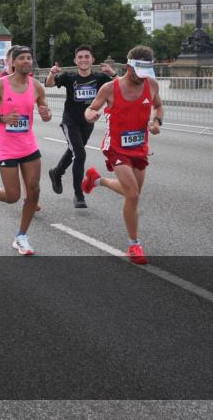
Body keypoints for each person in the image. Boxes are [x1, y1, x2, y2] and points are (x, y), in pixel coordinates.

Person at [81, 45, 164, 265]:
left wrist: (157, 122)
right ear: (128, 67)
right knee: (133, 195)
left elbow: (159, 107)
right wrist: (91, 114)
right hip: (116, 147)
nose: (143, 78)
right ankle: (133, 244)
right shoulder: (110, 88)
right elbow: (91, 108)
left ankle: (96, 180)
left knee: (132, 194)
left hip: (140, 147)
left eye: (147, 74)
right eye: (140, 73)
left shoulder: (152, 85)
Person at [0, 46, 51, 256]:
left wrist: (46, 113)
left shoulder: (36, 86)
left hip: (28, 143)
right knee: (12, 196)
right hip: (5, 145)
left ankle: (21, 237)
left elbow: (46, 114)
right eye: (23, 58)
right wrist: (1, 118)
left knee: (34, 190)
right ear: (14, 63)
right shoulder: (1, 85)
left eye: (30, 58)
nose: (27, 61)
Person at [46, 46, 117, 208]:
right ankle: (79, 195)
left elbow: (121, 85)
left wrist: (112, 73)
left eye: (87, 57)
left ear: (92, 60)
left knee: (73, 151)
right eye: (80, 57)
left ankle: (56, 172)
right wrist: (52, 72)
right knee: (80, 154)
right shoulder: (69, 77)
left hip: (88, 123)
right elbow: (49, 84)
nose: (83, 60)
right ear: (75, 61)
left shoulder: (100, 78)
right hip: (70, 121)